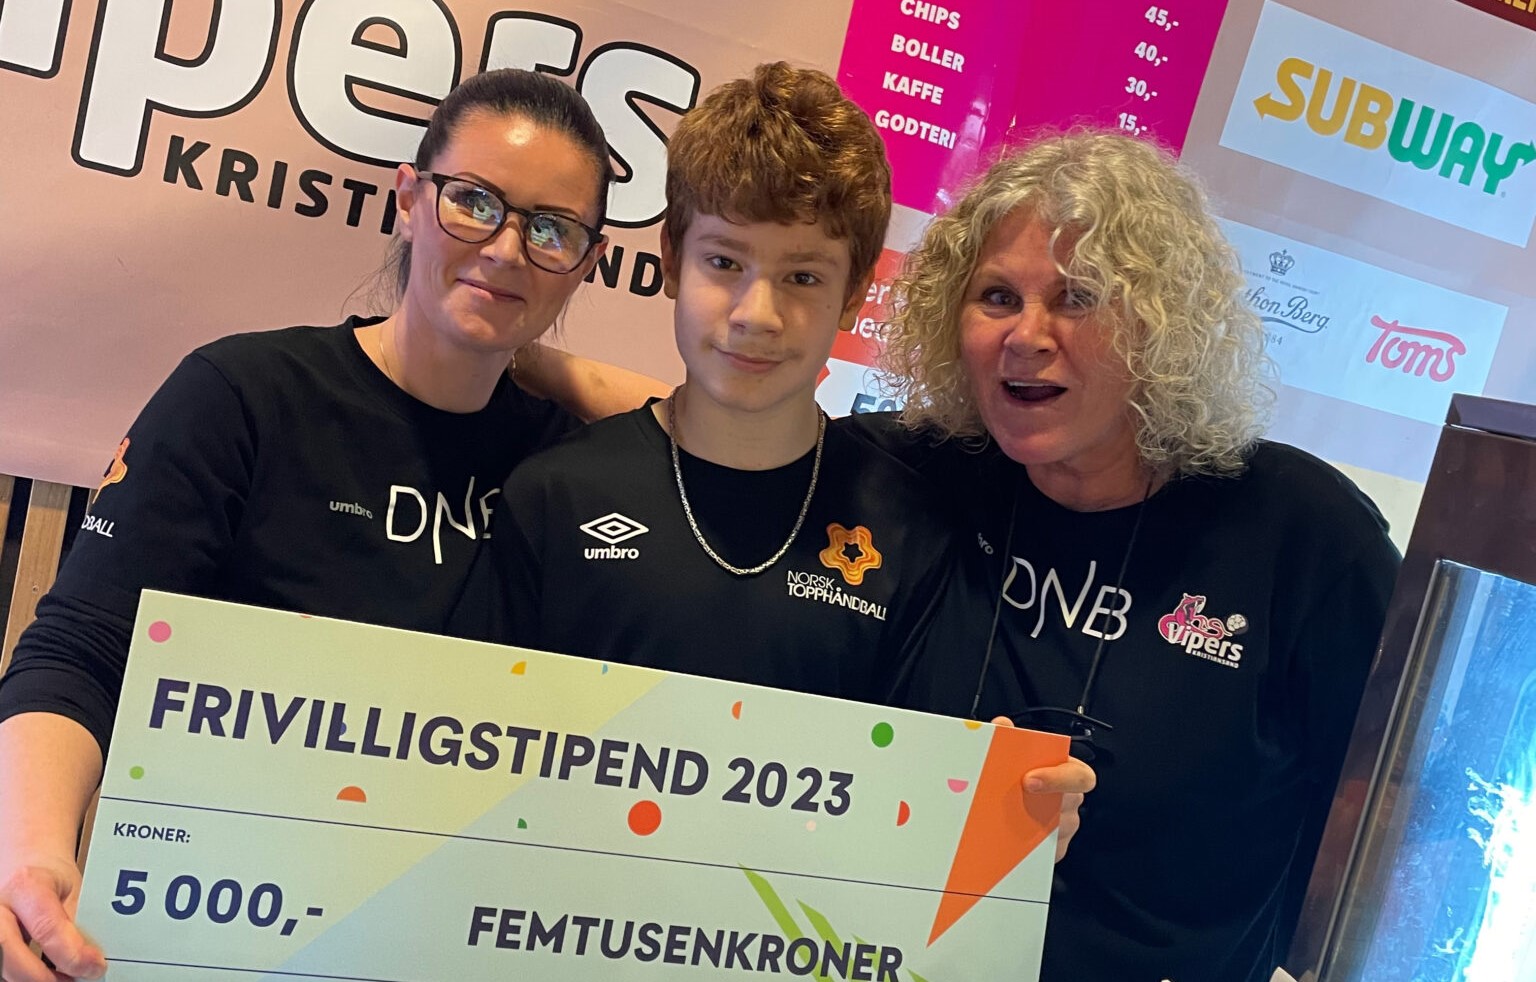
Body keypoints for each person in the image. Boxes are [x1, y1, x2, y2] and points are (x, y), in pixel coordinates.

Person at [0, 69, 612, 981]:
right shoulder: (243, 396)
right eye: (474, 202)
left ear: (588, 264)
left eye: (552, 229)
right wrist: (33, 853)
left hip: (448, 943)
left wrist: (571, 376)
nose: (505, 248)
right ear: (409, 198)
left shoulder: (575, 473)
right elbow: (82, 649)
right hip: (208, 936)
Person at [841, 131, 1401, 982]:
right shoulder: (921, 471)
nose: (1027, 335)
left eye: (1078, 298)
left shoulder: (1304, 535)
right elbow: (722, 442)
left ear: (1159, 326)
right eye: (997, 296)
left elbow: (1399, 819)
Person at [452, 61, 957, 706]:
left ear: (855, 293)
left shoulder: (909, 530)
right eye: (724, 262)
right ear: (671, 261)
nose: (757, 315)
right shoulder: (558, 495)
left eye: (803, 277)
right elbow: (482, 732)